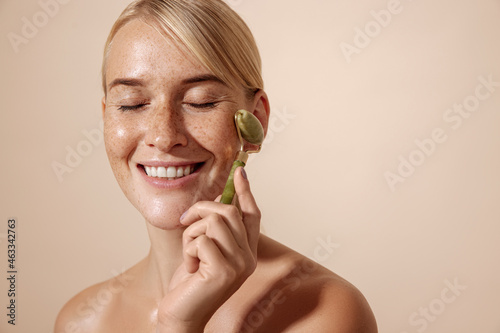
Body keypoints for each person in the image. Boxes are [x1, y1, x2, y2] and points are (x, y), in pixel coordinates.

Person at [55, 0, 377, 332]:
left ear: (257, 119)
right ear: (106, 117)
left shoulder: (324, 314)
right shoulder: (82, 321)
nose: (164, 136)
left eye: (200, 102)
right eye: (132, 104)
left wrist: (181, 324)